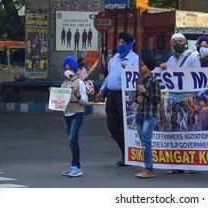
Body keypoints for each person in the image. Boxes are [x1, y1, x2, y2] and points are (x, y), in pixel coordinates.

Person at [95, 32, 138, 167]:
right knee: (112, 125)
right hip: (111, 95)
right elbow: (109, 77)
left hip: (125, 96)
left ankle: (128, 155)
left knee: (125, 126)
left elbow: (137, 77)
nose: (120, 45)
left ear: (130, 44)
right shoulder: (114, 58)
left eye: (123, 43)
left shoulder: (134, 59)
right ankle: (124, 152)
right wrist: (102, 90)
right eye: (119, 42)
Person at [159, 32, 201, 174]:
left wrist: (192, 96)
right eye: (175, 41)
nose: (178, 44)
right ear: (171, 44)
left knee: (190, 131)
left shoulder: (192, 59)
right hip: (174, 99)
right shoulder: (170, 60)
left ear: (185, 43)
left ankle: (194, 163)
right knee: (176, 131)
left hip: (188, 99)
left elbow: (198, 78)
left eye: (181, 41)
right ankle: (178, 163)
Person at [60, 56, 88, 177]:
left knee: (73, 139)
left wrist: (78, 96)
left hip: (77, 113)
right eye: (66, 68)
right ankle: (73, 166)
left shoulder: (79, 83)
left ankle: (77, 167)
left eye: (70, 68)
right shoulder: (64, 84)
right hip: (67, 114)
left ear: (74, 69)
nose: (68, 71)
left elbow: (86, 101)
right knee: (71, 141)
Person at [135, 54, 161, 178]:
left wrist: (145, 92)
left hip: (149, 115)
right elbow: (136, 98)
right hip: (140, 115)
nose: (140, 67)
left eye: (143, 65)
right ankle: (147, 167)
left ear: (148, 67)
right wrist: (137, 99)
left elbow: (157, 98)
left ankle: (149, 169)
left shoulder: (154, 81)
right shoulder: (139, 81)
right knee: (143, 142)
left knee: (146, 142)